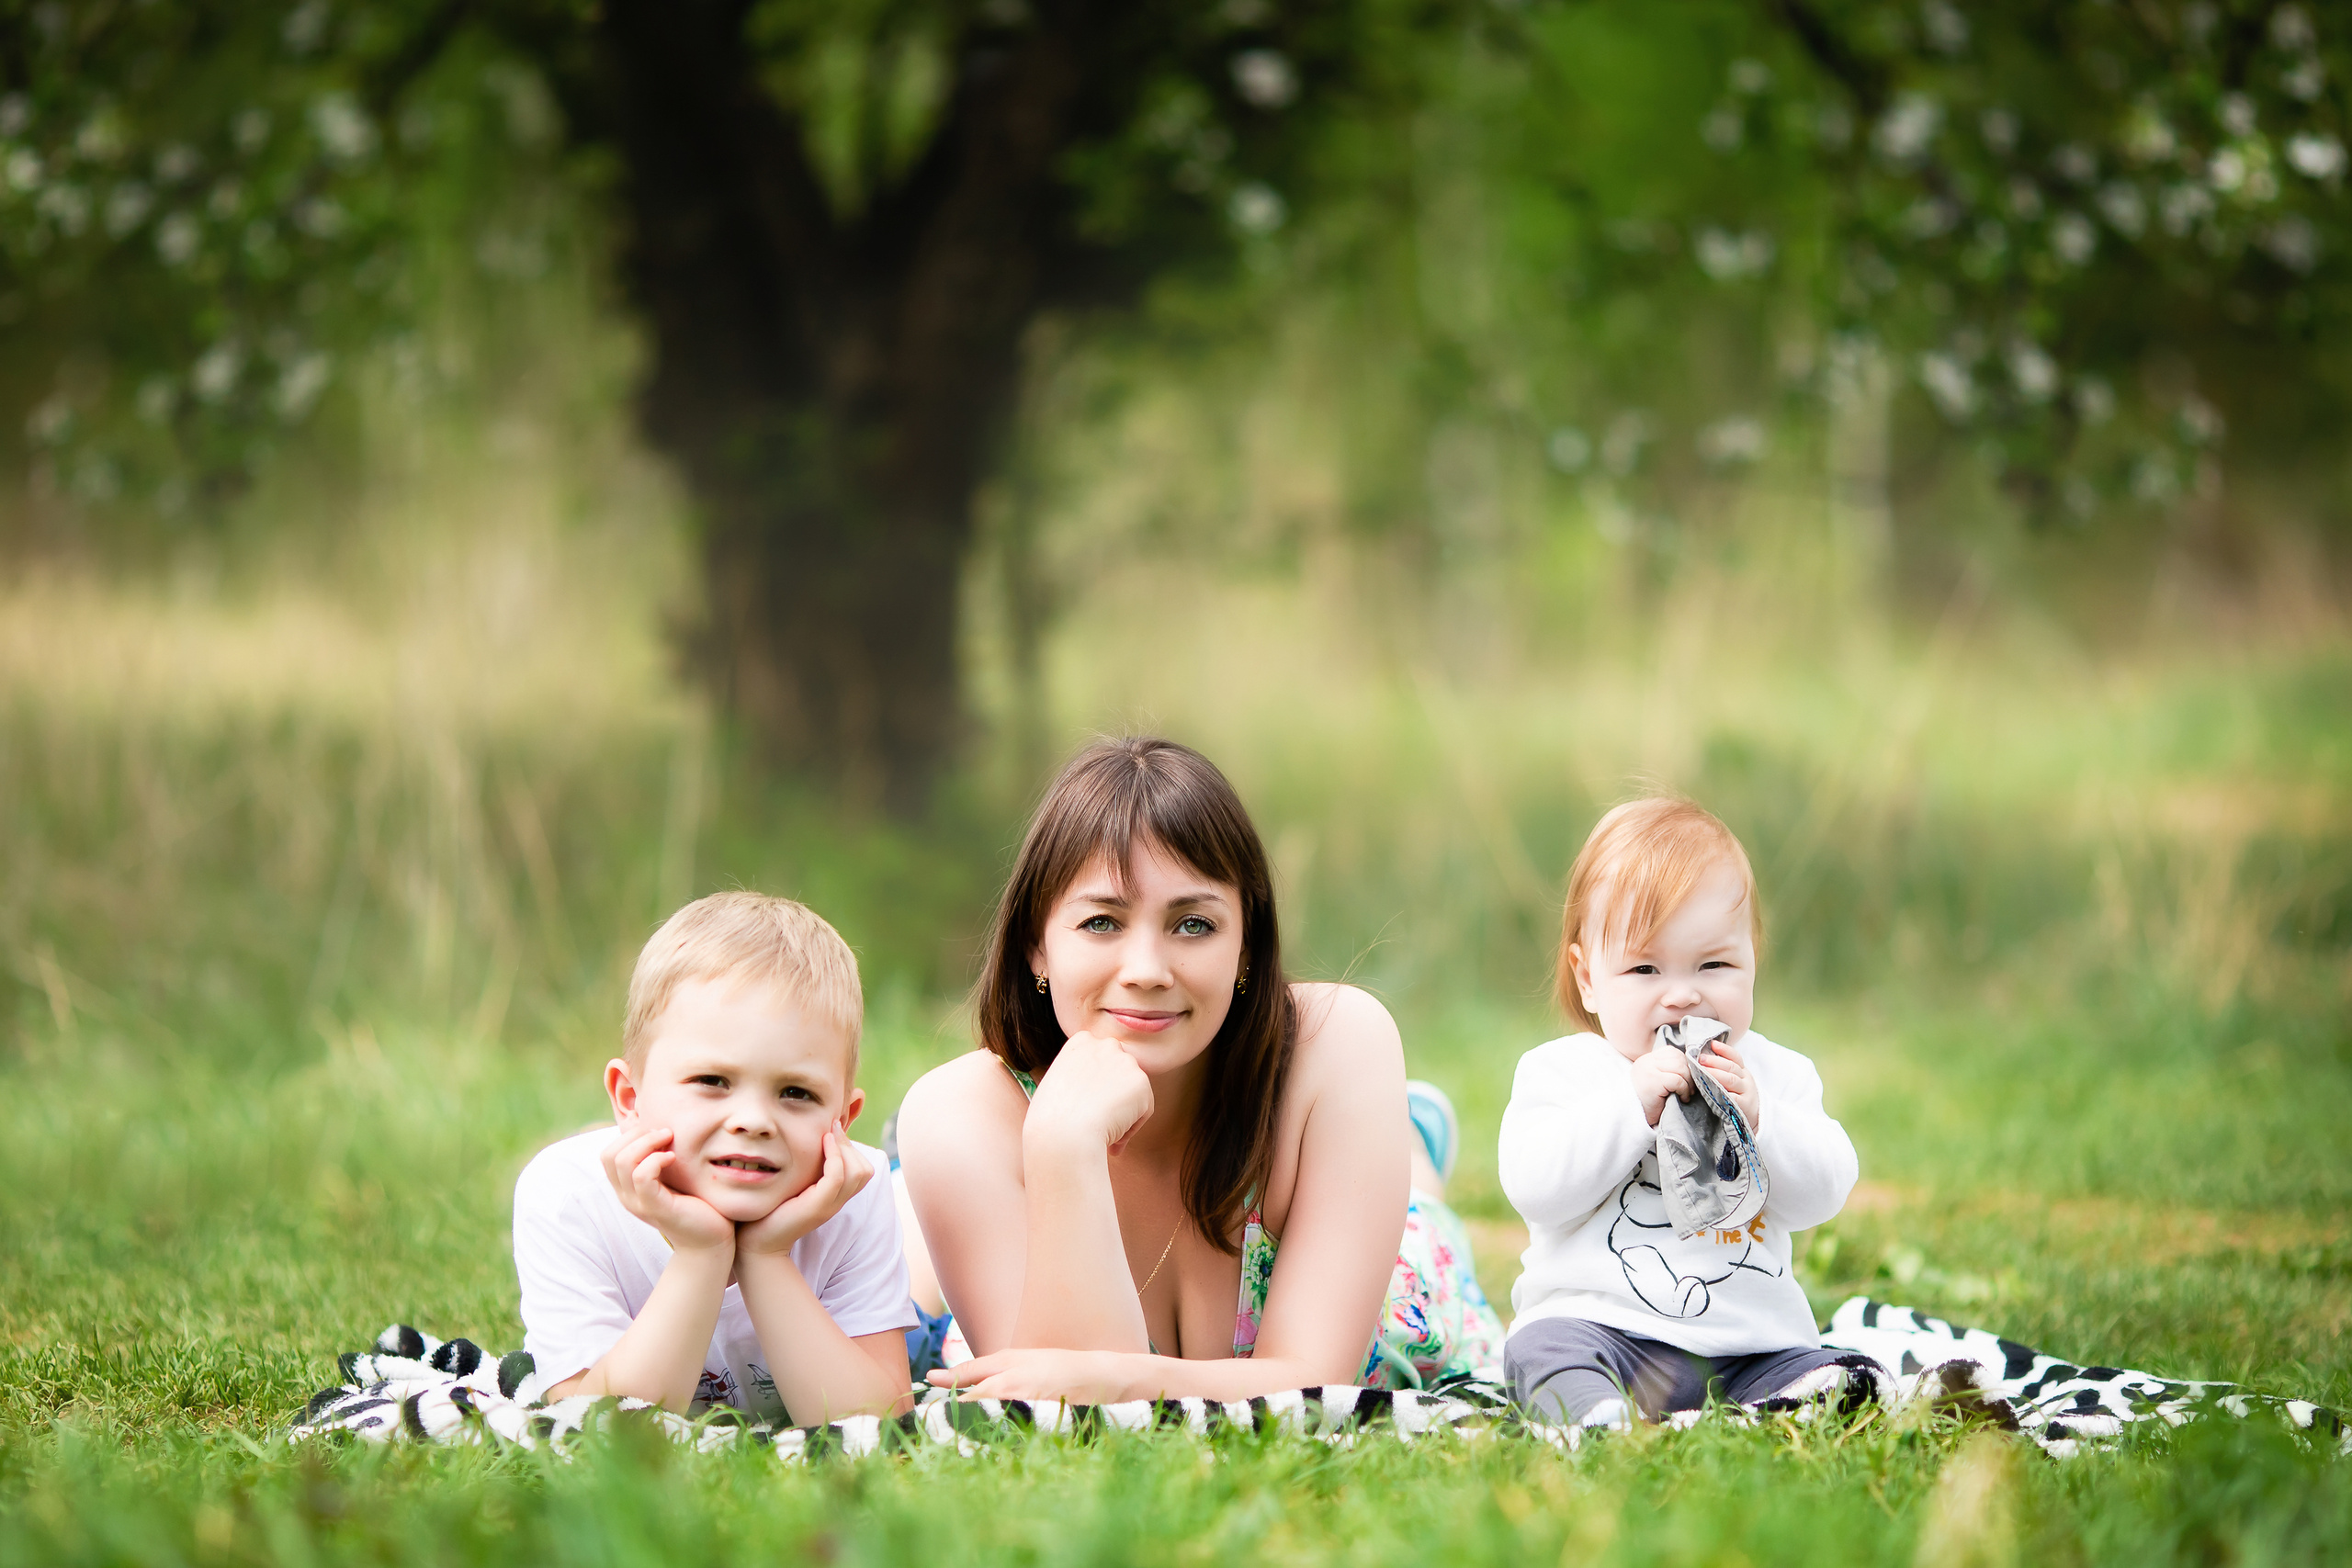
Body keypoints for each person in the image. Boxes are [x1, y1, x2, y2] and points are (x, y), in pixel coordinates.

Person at [895, 736, 1503, 1404]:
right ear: (1037, 946)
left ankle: (1409, 1137)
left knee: (1421, 1205)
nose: (1148, 971)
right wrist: (1062, 1148)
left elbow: (1311, 1379)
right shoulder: (962, 1112)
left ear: (1247, 943)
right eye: (1101, 921)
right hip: (995, 1149)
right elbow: (1055, 1421)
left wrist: (1124, 1376)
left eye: (1192, 924)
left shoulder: (1338, 1042)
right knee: (916, 1265)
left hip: (1396, 1277)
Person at [1498, 795, 1863, 1428]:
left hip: (1751, 1344)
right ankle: (1600, 1419)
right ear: (1588, 978)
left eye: (1714, 963)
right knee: (1538, 1348)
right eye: (1644, 967)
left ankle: (1795, 1401)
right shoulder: (1566, 1072)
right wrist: (1629, 1105)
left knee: (1834, 1369)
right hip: (1605, 1330)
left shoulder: (1773, 1076)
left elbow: (1824, 1192)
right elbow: (1535, 1187)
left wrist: (1760, 1121)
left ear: (1751, 959)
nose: (1683, 993)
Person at [512, 892, 915, 1423]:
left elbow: (880, 1424)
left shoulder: (856, 1193)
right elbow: (598, 1431)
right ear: (629, 1099)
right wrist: (701, 1254)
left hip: (912, 1250)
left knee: (922, 1229)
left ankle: (908, 1166)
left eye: (796, 1092)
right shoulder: (566, 1194)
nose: (753, 1120)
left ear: (842, 1119)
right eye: (712, 1081)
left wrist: (767, 1256)